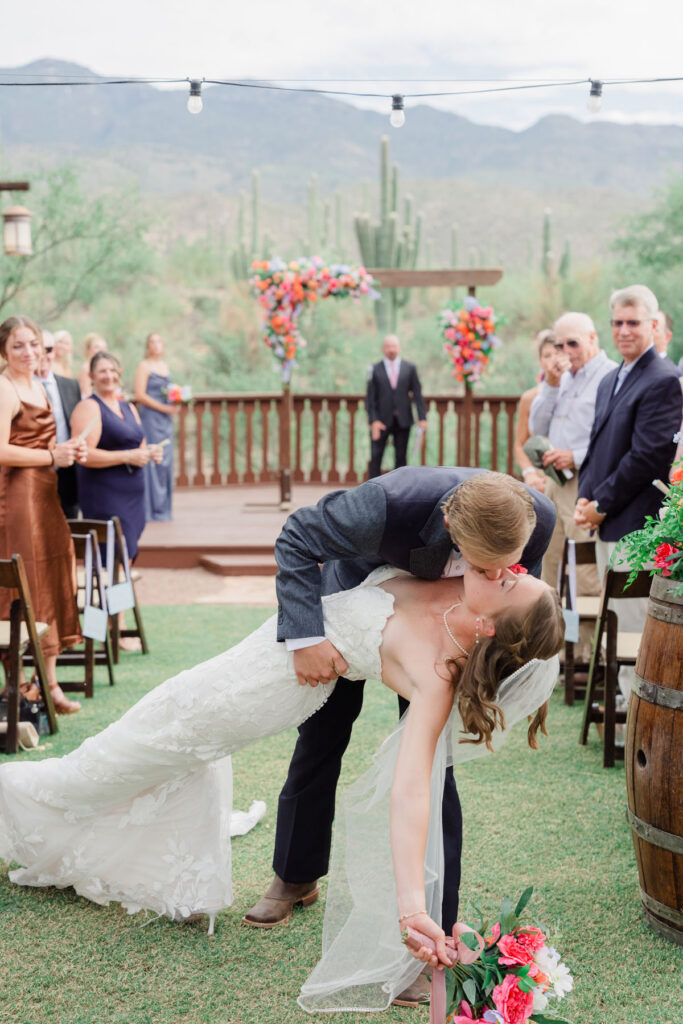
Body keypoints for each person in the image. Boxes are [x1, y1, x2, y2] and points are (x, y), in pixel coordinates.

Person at [0, 556, 564, 1012]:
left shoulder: (439, 675)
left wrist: (412, 906)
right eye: (519, 568)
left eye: (516, 581)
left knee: (109, 761)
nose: (512, 568)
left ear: (490, 625)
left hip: (254, 696)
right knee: (138, 755)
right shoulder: (458, 569)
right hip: (262, 649)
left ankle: (19, 794)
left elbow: (412, 792)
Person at [244, 467, 555, 1003]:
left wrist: (465, 667)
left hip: (449, 633)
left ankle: (436, 930)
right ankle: (295, 876)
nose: (500, 573)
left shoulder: (537, 519)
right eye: (485, 565)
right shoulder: (384, 506)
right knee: (321, 739)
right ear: (450, 527)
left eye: (508, 566)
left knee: (435, 770)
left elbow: (515, 615)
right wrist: (304, 637)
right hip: (358, 609)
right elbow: (296, 535)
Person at [575, 285, 682, 695]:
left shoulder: (663, 379)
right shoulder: (610, 379)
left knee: (632, 624)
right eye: (617, 322)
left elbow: (647, 457)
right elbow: (600, 446)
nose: (623, 330)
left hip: (635, 523)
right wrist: (586, 499)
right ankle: (618, 706)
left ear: (654, 325)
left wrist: (600, 503)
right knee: (612, 621)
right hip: (606, 519)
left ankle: (633, 719)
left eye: (633, 322)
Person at [0, 315, 87, 714]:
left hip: (47, 495)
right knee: (23, 584)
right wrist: (52, 454)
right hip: (17, 499)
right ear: (4, 350)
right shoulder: (4, 388)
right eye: (18, 345)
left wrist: (67, 451)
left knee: (53, 576)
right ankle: (18, 687)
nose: (28, 352)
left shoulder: (39, 384)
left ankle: (49, 683)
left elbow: (47, 441)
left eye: (34, 344)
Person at [528, 313, 617, 660]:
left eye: (573, 344)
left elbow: (611, 438)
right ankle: (553, 650)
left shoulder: (608, 375)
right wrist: (550, 384)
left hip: (586, 481)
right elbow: (538, 425)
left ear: (592, 338)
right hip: (555, 483)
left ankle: (586, 654)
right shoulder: (565, 378)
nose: (566, 351)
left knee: (585, 572)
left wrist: (575, 456)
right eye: (560, 345)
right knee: (549, 565)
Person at [72, 351, 161, 565]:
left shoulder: (127, 406)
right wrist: (127, 456)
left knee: (128, 551)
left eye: (113, 370)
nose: (109, 375)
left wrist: (151, 452)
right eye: (102, 371)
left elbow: (138, 444)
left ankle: (123, 597)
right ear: (92, 376)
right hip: (105, 493)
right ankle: (113, 598)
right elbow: (83, 455)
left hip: (133, 493)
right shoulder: (89, 407)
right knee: (113, 554)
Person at [366, 334, 427, 478]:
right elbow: (370, 398)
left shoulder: (410, 368)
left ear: (399, 348)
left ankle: (400, 490)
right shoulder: (375, 369)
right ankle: (371, 490)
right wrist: (373, 420)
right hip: (381, 421)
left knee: (401, 458)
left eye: (394, 346)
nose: (391, 350)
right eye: (388, 347)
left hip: (403, 420)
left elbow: (417, 394)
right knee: (376, 456)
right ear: (383, 349)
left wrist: (422, 417)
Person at [35, 330, 81, 519]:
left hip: (67, 474)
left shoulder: (71, 385)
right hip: (33, 471)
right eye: (40, 349)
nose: (45, 355)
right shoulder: (17, 388)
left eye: (49, 349)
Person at [134, 331, 178, 521]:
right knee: (152, 458)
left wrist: (177, 399)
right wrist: (163, 407)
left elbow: (168, 391)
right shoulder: (144, 366)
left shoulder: (165, 366)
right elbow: (139, 395)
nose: (156, 344)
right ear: (147, 346)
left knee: (165, 461)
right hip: (151, 418)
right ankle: (151, 509)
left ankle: (164, 508)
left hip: (165, 420)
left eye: (159, 341)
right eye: (152, 341)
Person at [514, 329, 557, 492]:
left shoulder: (576, 395)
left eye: (557, 354)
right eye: (547, 356)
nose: (553, 360)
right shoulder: (530, 398)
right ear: (540, 361)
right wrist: (530, 473)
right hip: (540, 478)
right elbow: (520, 444)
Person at [77, 333, 108, 397]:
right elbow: (87, 394)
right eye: (97, 347)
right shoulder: (87, 368)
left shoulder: (101, 367)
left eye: (103, 347)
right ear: (88, 350)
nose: (101, 350)